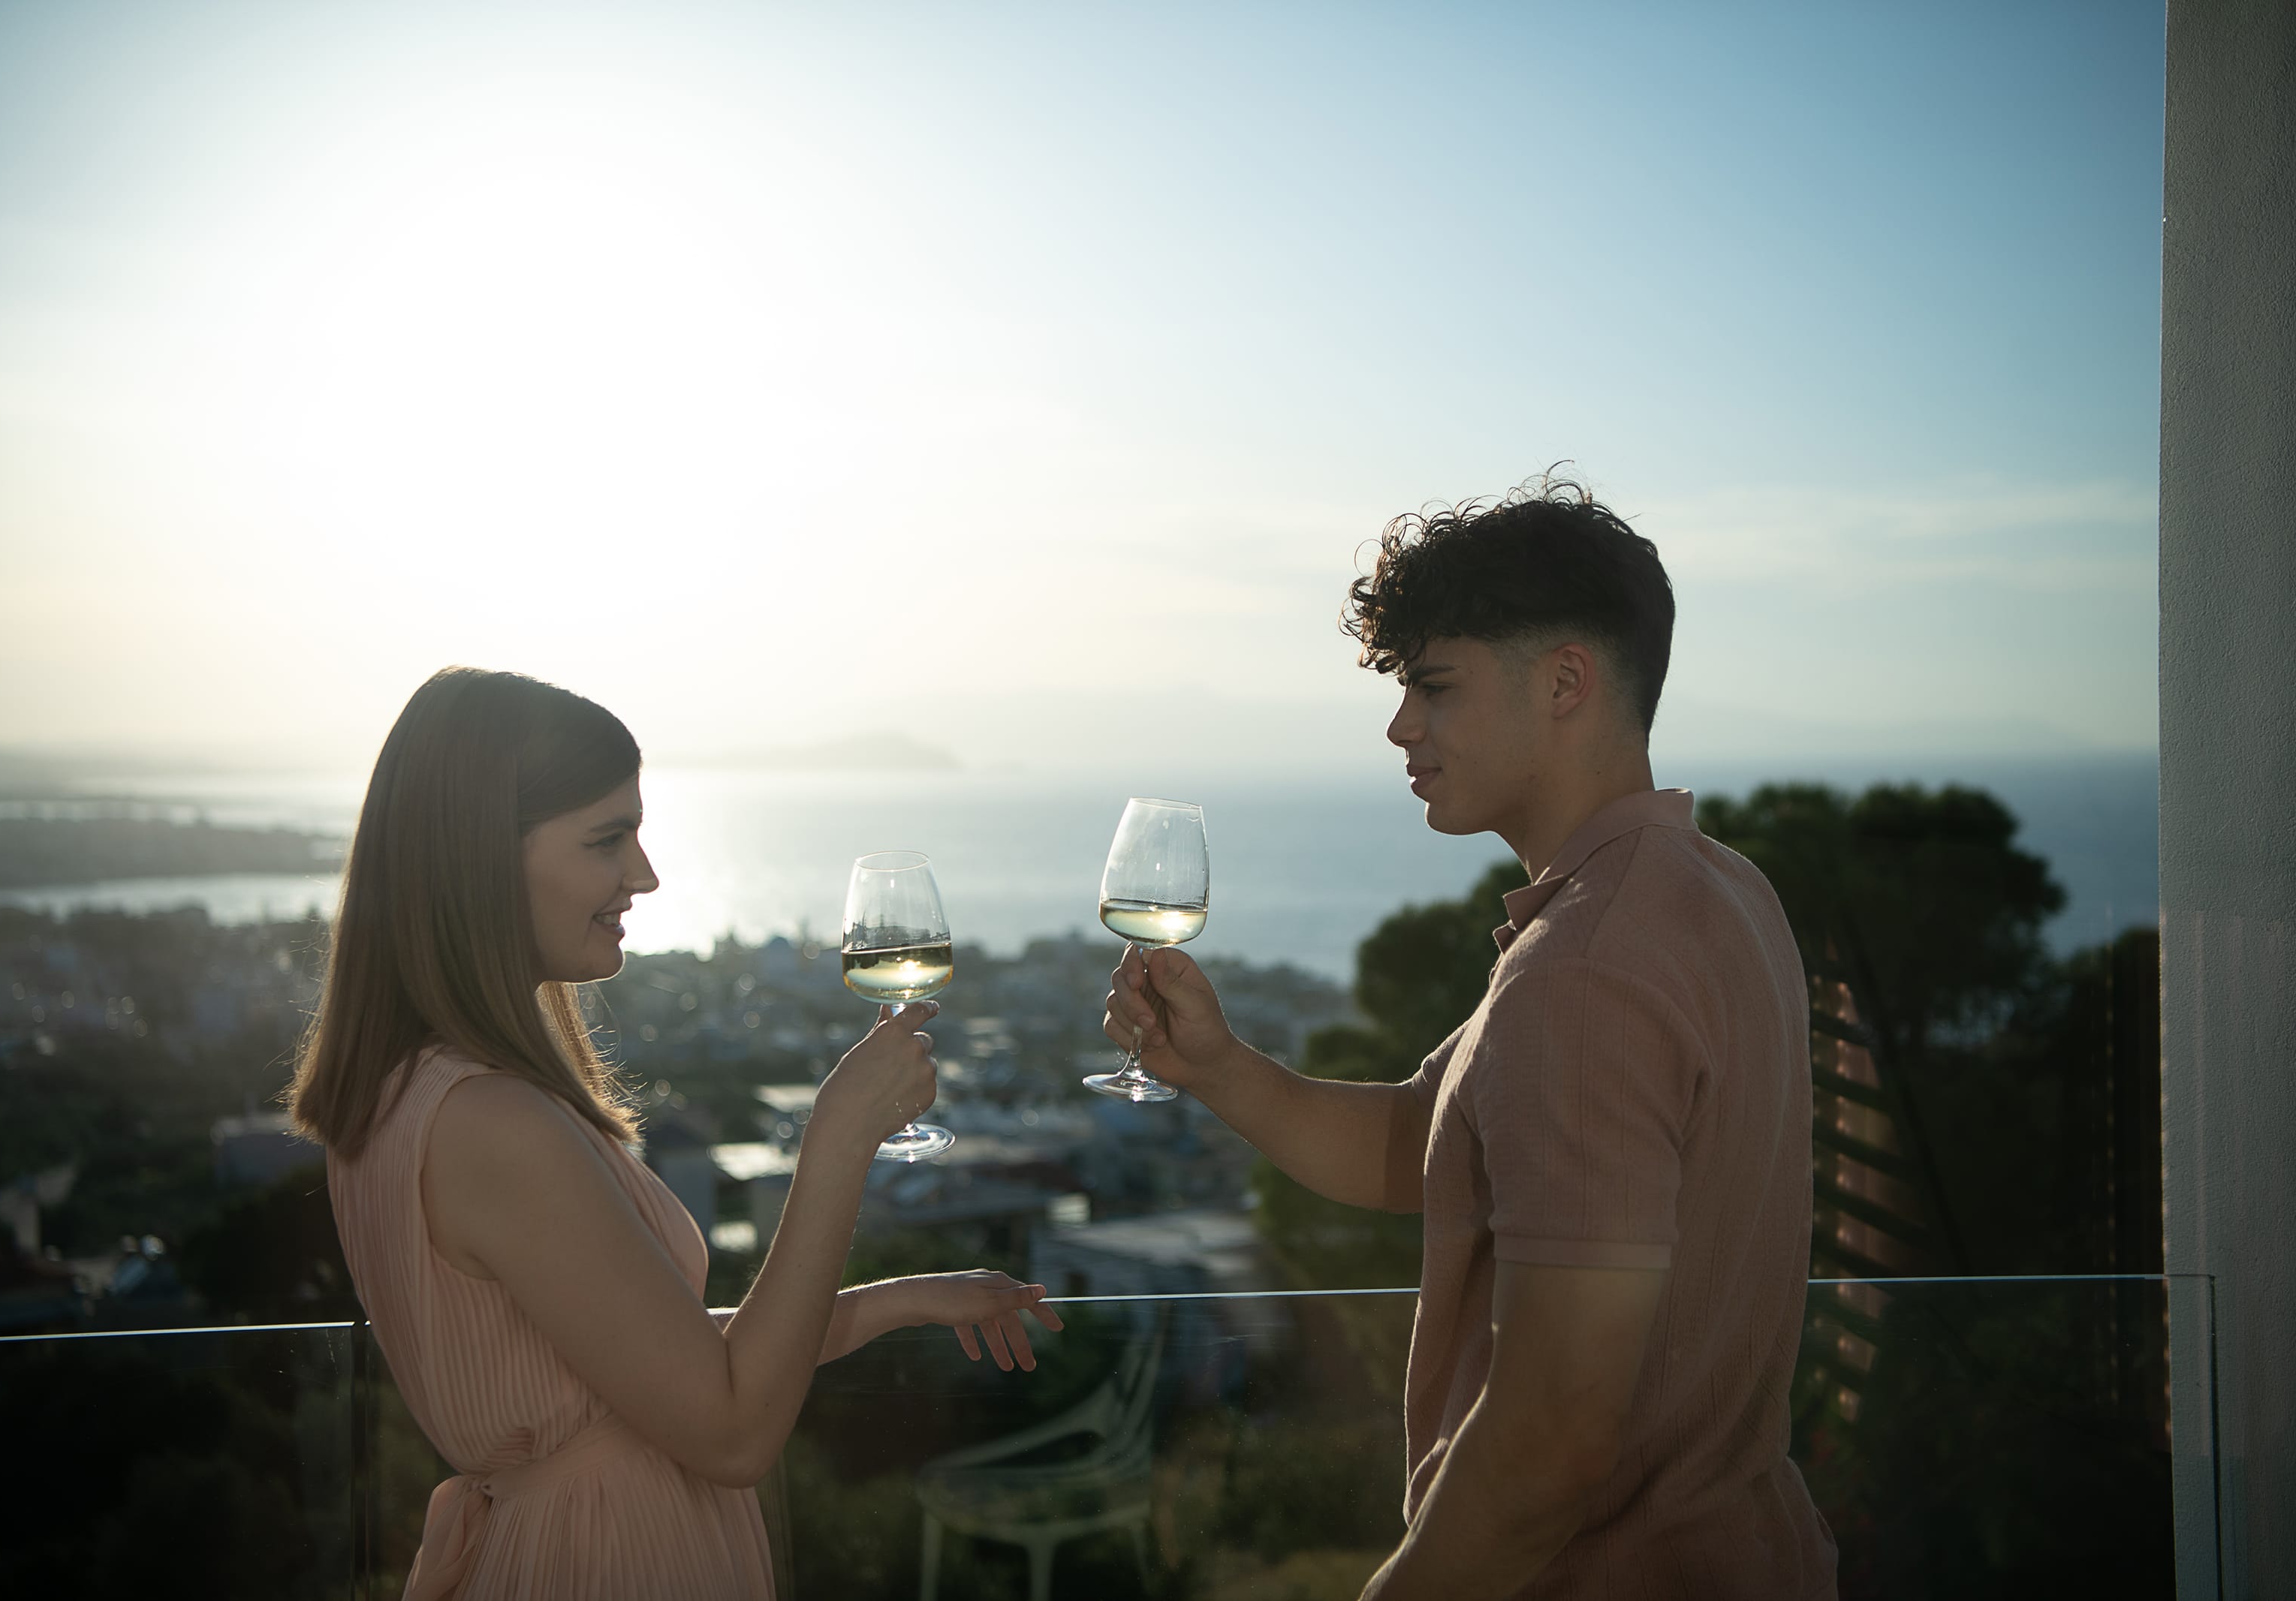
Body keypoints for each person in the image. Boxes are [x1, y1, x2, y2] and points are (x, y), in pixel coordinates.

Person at [1103, 479, 1839, 1599]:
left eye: (1433, 687)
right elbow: (1426, 1144)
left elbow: (1551, 1436)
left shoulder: (1584, 971)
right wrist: (1218, 1068)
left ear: (1565, 683)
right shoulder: (1721, 892)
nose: (1401, 726)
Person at [292, 667, 1060, 1600]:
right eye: (606, 839)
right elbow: (733, 1433)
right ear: (478, 859)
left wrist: (894, 1302)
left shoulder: (415, 1094)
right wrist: (839, 1136)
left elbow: (651, 1369)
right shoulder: (489, 1123)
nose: (644, 874)